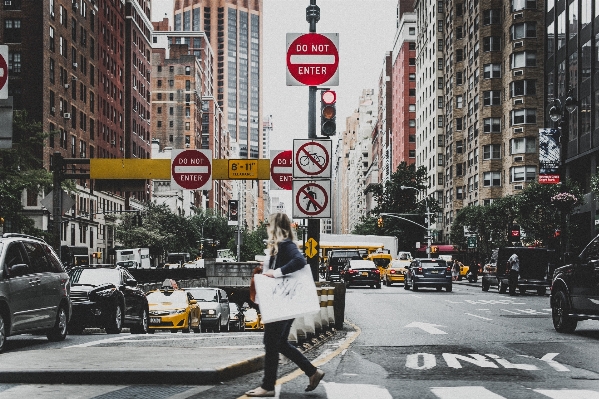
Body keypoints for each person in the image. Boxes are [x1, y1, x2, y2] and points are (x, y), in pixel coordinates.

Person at [245, 212, 325, 397]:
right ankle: (312, 372)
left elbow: (300, 261)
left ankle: (268, 386)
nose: (267, 228)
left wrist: (276, 272)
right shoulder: (279, 248)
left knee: (271, 342)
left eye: (268, 225)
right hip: (282, 302)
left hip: (282, 303)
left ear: (274, 227)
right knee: (278, 342)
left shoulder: (285, 245)